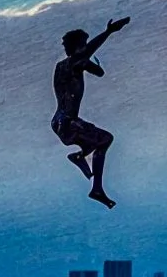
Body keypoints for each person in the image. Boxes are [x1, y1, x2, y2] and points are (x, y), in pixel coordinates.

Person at [51, 17, 130, 208]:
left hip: (58, 122)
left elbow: (85, 59)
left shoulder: (60, 66)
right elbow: (98, 71)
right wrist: (109, 32)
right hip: (69, 123)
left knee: (102, 139)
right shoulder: (77, 63)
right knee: (106, 139)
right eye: (83, 44)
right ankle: (95, 185)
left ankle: (81, 158)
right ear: (79, 46)